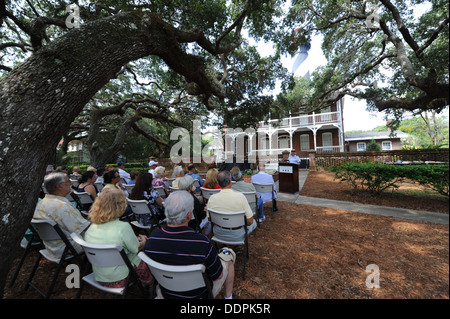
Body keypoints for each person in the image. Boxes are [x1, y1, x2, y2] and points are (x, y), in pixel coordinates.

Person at [144, 191, 237, 299]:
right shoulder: (202, 243)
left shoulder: (152, 239)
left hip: (166, 293)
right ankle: (228, 297)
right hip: (199, 295)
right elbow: (218, 276)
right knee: (227, 254)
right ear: (189, 215)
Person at [84, 188, 153, 289]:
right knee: (144, 257)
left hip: (100, 277)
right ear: (120, 206)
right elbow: (135, 249)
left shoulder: (91, 228)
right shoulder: (123, 227)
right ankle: (149, 283)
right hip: (122, 278)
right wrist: (144, 240)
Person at [33, 172, 90, 259]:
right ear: (59, 186)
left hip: (52, 247)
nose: (71, 184)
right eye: (68, 182)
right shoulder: (61, 206)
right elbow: (85, 228)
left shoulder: (42, 202)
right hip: (68, 248)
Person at [207, 170, 257, 242]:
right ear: (230, 182)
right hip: (237, 235)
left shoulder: (212, 198)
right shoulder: (240, 196)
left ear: (218, 182)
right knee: (254, 223)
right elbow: (250, 221)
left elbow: (209, 218)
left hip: (218, 233)